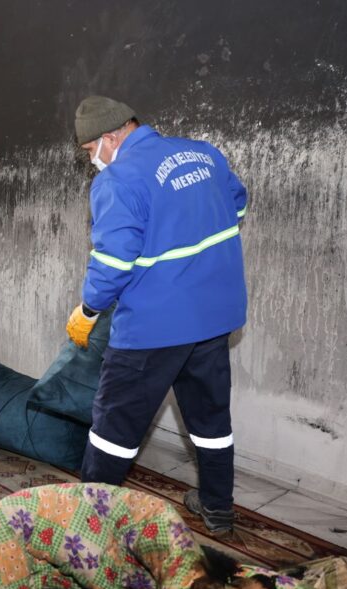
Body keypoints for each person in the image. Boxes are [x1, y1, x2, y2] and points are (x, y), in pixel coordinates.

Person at [66, 96, 248, 534]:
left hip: (154, 327)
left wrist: (89, 309)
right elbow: (237, 205)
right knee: (210, 419)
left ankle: (90, 526)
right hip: (213, 317)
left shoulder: (119, 179)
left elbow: (113, 262)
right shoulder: (203, 153)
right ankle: (218, 506)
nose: (94, 161)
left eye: (91, 151)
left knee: (114, 425)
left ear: (110, 136)